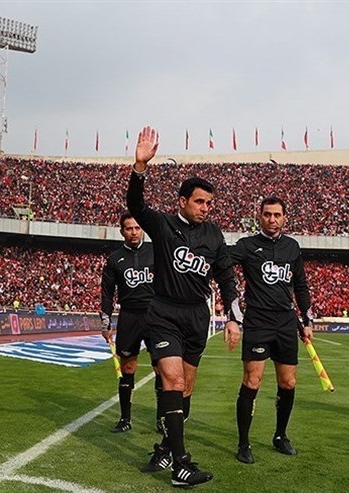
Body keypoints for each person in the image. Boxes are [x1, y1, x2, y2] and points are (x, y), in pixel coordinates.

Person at [127, 125, 242, 487]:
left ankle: (164, 447)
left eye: (209, 203)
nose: (205, 208)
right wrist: (140, 168)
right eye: (199, 202)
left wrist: (234, 317)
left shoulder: (214, 235)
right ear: (182, 201)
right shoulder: (161, 225)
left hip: (197, 316)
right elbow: (135, 206)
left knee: (184, 389)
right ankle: (181, 464)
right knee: (172, 379)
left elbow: (225, 275)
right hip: (163, 312)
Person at [229, 196, 314, 464]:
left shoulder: (292, 247)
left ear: (284, 217)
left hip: (286, 323)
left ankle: (280, 436)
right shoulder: (247, 246)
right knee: (252, 382)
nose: (272, 219)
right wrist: (232, 312)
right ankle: (244, 443)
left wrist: (307, 320)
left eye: (277, 215)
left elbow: (300, 285)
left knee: (288, 382)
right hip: (257, 321)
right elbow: (223, 264)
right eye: (267, 214)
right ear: (259, 216)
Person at [100, 211, 160, 433]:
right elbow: (107, 293)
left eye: (137, 228)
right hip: (129, 317)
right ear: (122, 231)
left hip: (155, 316)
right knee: (128, 368)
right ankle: (125, 418)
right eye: (129, 228)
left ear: (142, 229)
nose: (133, 232)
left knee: (161, 368)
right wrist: (105, 321)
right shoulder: (115, 259)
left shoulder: (156, 251)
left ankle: (162, 418)